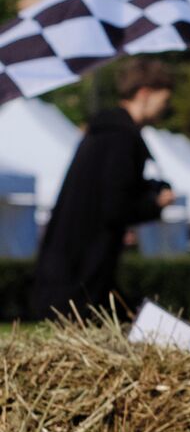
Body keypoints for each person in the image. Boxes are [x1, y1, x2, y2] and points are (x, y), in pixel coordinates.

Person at [29, 59, 176, 319]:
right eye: (163, 101)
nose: (165, 108)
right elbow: (115, 207)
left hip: (68, 270)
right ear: (144, 93)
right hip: (84, 275)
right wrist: (155, 203)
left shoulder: (102, 133)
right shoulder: (122, 138)